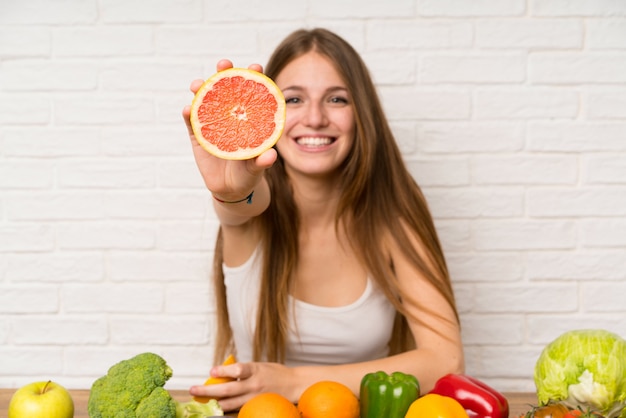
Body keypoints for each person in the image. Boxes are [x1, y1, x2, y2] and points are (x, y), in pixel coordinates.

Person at [182, 28, 464, 412]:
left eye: (337, 99)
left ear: (361, 113)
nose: (314, 118)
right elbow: (242, 204)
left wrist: (292, 380)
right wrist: (232, 191)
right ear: (270, 114)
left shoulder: (391, 213)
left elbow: (445, 361)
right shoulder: (252, 211)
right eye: (293, 99)